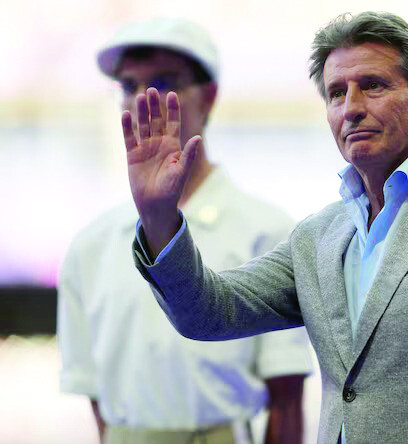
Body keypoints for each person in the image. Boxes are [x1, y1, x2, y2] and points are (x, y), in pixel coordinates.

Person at [126, 12, 408, 444]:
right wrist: (159, 216)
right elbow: (208, 313)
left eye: (373, 85)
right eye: (335, 93)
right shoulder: (320, 236)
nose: (351, 108)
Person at [57, 18, 313, 444]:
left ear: (208, 96)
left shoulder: (266, 230)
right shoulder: (91, 246)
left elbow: (286, 399)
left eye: (162, 82)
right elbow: (97, 402)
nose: (143, 99)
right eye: (128, 85)